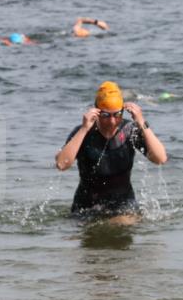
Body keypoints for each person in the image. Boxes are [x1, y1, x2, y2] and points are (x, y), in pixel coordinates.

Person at [56, 81, 167, 224]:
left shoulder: (131, 131)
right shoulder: (83, 132)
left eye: (117, 114)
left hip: (123, 205)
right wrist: (83, 129)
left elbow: (160, 158)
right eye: (105, 115)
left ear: (123, 110)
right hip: (85, 207)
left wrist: (141, 122)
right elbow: (61, 164)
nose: (112, 120)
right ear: (96, 112)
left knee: (121, 223)